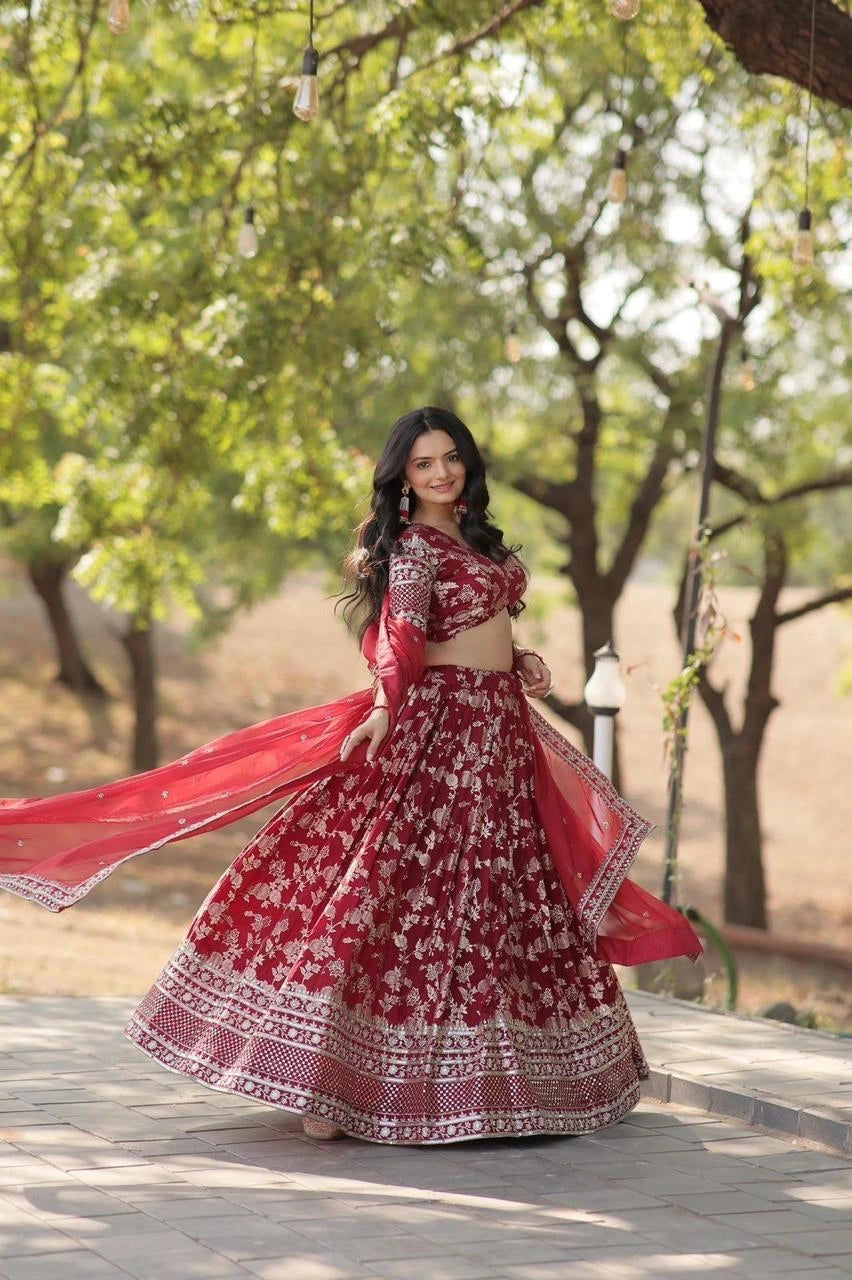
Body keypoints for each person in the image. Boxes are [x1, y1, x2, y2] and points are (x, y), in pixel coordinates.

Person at [0, 406, 700, 1145]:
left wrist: (517, 659)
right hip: (439, 730)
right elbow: (401, 635)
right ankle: (330, 1083)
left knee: (499, 892)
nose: (441, 472)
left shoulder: (478, 539)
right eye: (424, 464)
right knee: (397, 890)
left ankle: (500, 1082)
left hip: (498, 734)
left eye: (450, 457)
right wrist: (385, 706)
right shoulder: (416, 547)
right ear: (404, 478)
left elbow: (476, 626)